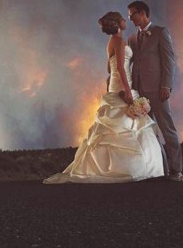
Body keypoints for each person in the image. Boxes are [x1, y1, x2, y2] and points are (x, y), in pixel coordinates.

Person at [43, 11, 166, 184]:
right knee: (127, 125)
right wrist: (128, 90)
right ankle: (131, 169)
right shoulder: (120, 41)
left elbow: (110, 68)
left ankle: (118, 166)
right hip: (123, 84)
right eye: (123, 19)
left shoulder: (111, 42)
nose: (126, 20)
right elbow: (121, 69)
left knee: (119, 124)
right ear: (117, 23)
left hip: (116, 84)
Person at [126, 0, 183, 182]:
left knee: (167, 129)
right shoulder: (132, 38)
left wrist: (166, 85)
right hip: (139, 93)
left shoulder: (160, 32)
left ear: (142, 13)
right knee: (150, 134)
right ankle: (161, 170)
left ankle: (176, 170)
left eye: (132, 14)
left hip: (158, 91)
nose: (130, 18)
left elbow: (169, 61)